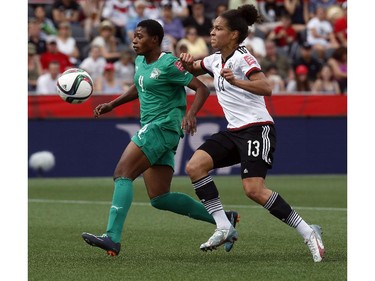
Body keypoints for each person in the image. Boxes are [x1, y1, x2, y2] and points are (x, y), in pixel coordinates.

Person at [179, 4, 325, 262]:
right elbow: (194, 68)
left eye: (218, 28)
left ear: (234, 34)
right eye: (212, 28)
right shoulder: (214, 59)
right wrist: (187, 62)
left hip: (257, 129)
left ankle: (308, 231)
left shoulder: (243, 58)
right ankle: (224, 226)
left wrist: (236, 81)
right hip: (234, 131)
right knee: (195, 166)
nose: (211, 33)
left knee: (254, 190)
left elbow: (266, 86)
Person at [81, 19, 239, 256]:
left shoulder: (169, 63)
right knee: (159, 197)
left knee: (123, 173)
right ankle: (225, 219)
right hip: (157, 130)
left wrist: (191, 114)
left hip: (162, 127)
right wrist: (112, 104)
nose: (134, 40)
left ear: (154, 40)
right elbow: (139, 86)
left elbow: (202, 88)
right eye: (134, 36)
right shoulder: (140, 61)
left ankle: (112, 237)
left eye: (139, 36)